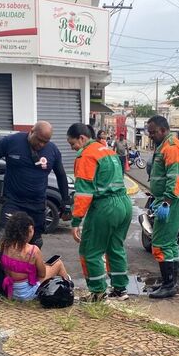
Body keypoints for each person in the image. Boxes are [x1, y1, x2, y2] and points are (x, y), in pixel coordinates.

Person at [67, 123, 132, 302]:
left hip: (105, 207)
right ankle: (120, 290)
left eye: (72, 144)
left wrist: (75, 221)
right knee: (115, 247)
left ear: (82, 138)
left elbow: (83, 193)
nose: (72, 149)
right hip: (124, 204)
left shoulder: (86, 156)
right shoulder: (108, 152)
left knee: (90, 250)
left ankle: (98, 293)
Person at [0, 121, 71, 248]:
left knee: (35, 243)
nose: (41, 145)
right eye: (39, 140)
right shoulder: (11, 141)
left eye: (45, 142)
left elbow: (61, 175)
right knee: (1, 239)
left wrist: (65, 201)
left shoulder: (53, 150)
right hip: (13, 202)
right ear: (31, 131)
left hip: (37, 204)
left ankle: (27, 268)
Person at [146, 115, 179, 299]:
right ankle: (169, 282)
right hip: (168, 200)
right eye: (149, 133)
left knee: (160, 244)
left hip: (172, 202)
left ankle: (169, 284)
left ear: (164, 130)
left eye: (153, 132)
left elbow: (175, 178)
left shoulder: (171, 148)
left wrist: (167, 202)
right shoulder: (163, 146)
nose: (151, 136)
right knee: (170, 243)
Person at [0, 211, 69, 301]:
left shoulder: (4, 244)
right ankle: (69, 287)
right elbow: (42, 275)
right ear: (28, 231)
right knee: (58, 263)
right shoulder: (33, 250)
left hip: (11, 291)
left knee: (43, 265)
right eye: (31, 230)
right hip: (28, 293)